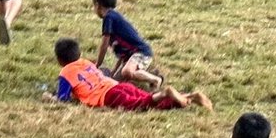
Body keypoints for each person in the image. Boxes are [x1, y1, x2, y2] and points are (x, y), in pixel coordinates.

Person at [44, 38, 212, 112]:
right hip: (119, 86)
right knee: (150, 102)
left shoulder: (66, 72)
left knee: (141, 105)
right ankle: (188, 97)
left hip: (109, 97)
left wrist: (49, 98)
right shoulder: (86, 62)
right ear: (78, 53)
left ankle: (166, 93)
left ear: (60, 60)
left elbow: (63, 99)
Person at [92, 0, 164, 91]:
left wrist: (97, 64)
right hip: (131, 57)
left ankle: (156, 79)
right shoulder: (114, 18)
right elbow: (122, 54)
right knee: (114, 84)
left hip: (141, 52)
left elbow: (104, 45)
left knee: (127, 71)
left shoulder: (109, 18)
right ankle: (150, 75)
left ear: (97, 5)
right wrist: (113, 72)